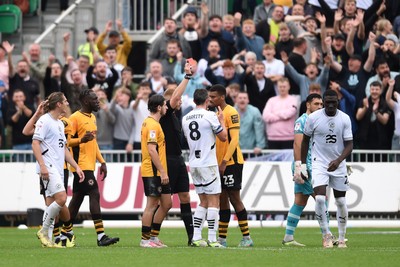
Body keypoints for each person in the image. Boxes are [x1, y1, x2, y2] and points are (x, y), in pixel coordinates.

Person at [301, 89, 353, 248]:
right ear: (323, 101)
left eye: (334, 102)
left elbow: (350, 144)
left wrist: (338, 161)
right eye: (327, 102)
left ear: (337, 102)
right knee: (321, 199)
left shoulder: (344, 119)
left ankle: (342, 237)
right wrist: (303, 165)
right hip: (319, 164)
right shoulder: (313, 118)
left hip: (338, 164)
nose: (330, 105)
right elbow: (305, 141)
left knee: (341, 201)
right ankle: (326, 235)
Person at [68, 89, 120, 246]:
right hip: (80, 165)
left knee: (76, 199)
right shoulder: (74, 118)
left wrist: (102, 161)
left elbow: (93, 142)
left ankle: (64, 231)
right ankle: (100, 236)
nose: (98, 102)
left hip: (89, 165)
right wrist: (81, 140)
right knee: (94, 193)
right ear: (85, 101)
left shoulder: (92, 117)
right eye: (95, 99)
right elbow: (67, 142)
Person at [32, 92, 84, 248]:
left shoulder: (60, 123)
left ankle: (46, 240)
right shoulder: (44, 120)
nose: (68, 104)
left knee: (51, 204)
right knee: (61, 198)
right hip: (47, 166)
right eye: (65, 101)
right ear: (59, 104)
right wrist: (42, 165)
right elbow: (35, 143)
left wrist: (76, 166)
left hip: (58, 168)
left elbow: (64, 149)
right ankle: (43, 231)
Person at [208, 84, 254, 247]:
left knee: (235, 198)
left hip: (231, 162)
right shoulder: (214, 114)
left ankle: (247, 238)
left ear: (222, 97)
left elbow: (234, 140)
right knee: (222, 200)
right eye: (209, 96)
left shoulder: (231, 112)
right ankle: (222, 238)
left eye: (213, 97)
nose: (210, 99)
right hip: (218, 163)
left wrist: (225, 161)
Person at [182, 88, 227, 247]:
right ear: (207, 101)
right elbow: (223, 137)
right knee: (214, 201)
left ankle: (196, 237)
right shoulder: (210, 116)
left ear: (194, 101)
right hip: (208, 163)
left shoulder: (185, 118)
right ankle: (213, 239)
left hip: (194, 163)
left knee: (203, 201)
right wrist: (221, 120)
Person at [282, 93, 323, 247]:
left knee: (299, 202)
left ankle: (288, 237)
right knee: (321, 200)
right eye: (316, 104)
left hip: (311, 165)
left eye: (321, 104)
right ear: (308, 105)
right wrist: (299, 167)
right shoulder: (302, 121)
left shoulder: (319, 121)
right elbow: (298, 144)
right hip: (306, 166)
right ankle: (328, 235)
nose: (319, 107)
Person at [160, 62, 194, 246]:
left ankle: (191, 237)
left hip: (178, 159)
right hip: (167, 160)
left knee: (185, 197)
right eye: (178, 99)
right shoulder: (165, 113)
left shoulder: (173, 116)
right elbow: (174, 98)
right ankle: (151, 235)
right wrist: (187, 77)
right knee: (162, 202)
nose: (180, 101)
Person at [140, 94, 171, 248]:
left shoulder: (151, 123)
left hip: (159, 171)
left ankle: (153, 237)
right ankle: (145, 240)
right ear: (159, 107)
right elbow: (152, 150)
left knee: (167, 203)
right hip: (153, 171)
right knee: (151, 205)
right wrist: (162, 171)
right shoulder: (152, 125)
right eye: (165, 105)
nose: (166, 108)